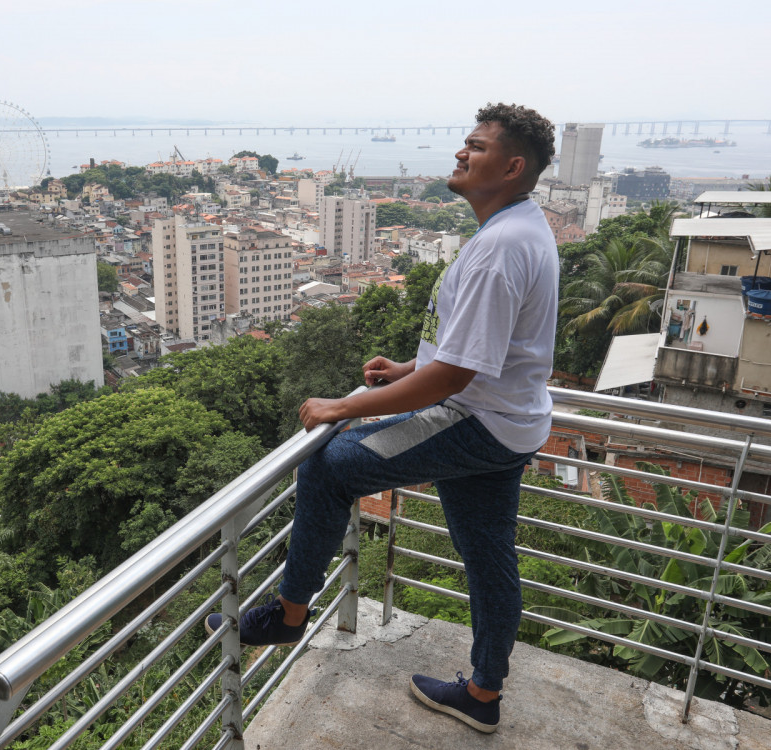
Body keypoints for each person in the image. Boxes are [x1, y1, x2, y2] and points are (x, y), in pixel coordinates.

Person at [206, 102, 558, 735]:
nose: (460, 153)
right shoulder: (522, 228)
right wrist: (406, 370)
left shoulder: (501, 247)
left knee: (329, 466)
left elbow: (455, 378)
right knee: (487, 559)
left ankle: (289, 616)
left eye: (475, 148)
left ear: (511, 166)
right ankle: (482, 692)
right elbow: (474, 350)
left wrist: (344, 406)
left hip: (477, 418)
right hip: (510, 421)